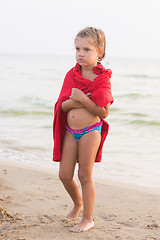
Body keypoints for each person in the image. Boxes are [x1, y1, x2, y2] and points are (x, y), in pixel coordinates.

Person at [53, 27, 114, 233]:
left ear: (100, 52)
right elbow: (62, 105)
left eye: (87, 49)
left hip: (90, 131)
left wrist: (81, 99)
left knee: (85, 175)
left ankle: (88, 218)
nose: (81, 53)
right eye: (77, 48)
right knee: (64, 174)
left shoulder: (102, 79)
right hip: (71, 131)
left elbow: (103, 112)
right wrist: (75, 101)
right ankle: (77, 204)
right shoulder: (71, 74)